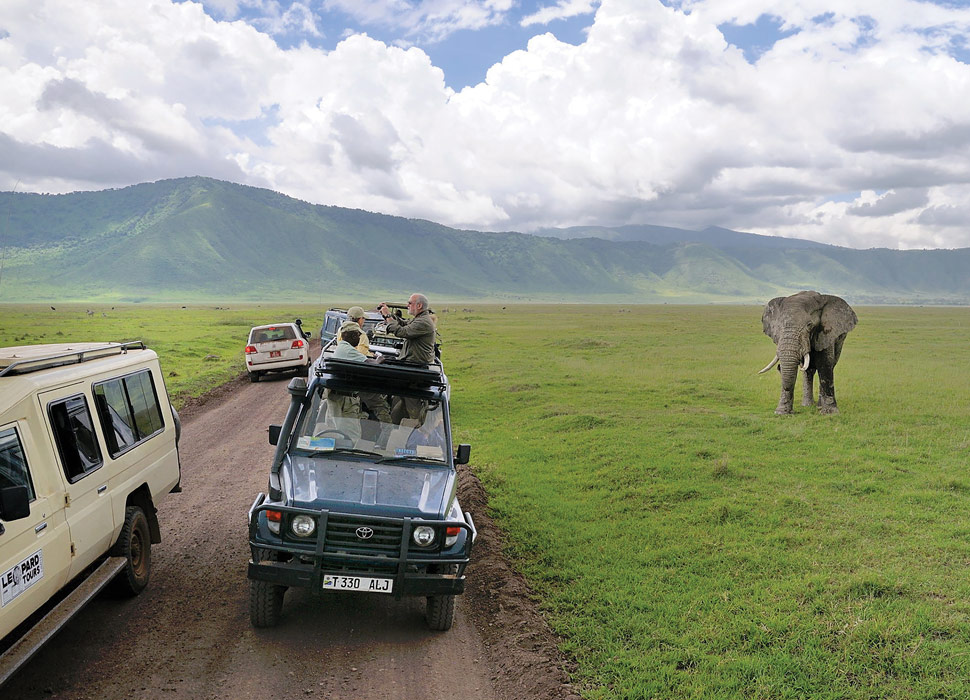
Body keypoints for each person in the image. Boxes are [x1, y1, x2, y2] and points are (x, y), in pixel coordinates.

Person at [378, 294, 435, 364]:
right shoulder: (420, 318)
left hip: (415, 365)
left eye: (410, 303)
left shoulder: (423, 322)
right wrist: (388, 314)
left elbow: (401, 332)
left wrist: (388, 315)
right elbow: (403, 323)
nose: (407, 305)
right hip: (411, 361)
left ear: (419, 306)